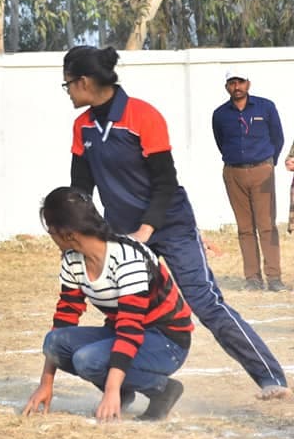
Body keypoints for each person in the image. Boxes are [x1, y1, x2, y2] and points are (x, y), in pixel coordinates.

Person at [63, 45, 290, 400]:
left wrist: (147, 230)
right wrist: (78, 231)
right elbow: (81, 189)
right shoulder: (83, 126)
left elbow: (165, 182)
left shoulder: (142, 116)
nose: (67, 93)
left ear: (84, 82)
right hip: (123, 232)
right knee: (123, 309)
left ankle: (270, 378)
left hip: (170, 224)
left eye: (67, 86)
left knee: (206, 303)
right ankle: (129, 390)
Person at [23, 187, 193, 422]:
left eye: (51, 229)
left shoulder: (126, 258)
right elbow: (65, 318)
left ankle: (163, 390)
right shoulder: (72, 260)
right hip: (126, 332)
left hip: (167, 340)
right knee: (55, 341)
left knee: (88, 360)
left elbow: (130, 328)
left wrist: (110, 389)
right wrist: (46, 383)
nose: (50, 235)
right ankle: (124, 391)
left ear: (67, 233)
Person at [211, 68, 287, 292]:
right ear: (227, 86)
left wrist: (268, 164)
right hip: (234, 173)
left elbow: (278, 138)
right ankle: (252, 278)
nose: (237, 87)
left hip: (262, 170)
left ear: (248, 84)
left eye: (240, 82)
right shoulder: (220, 114)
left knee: (266, 226)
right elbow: (221, 141)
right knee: (244, 228)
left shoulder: (266, 107)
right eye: (232, 83)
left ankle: (274, 278)